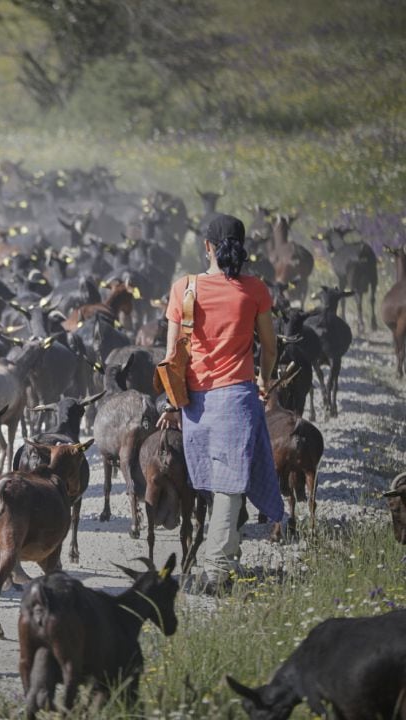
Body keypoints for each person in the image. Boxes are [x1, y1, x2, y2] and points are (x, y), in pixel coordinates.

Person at [157, 213, 285, 592]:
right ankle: (219, 565)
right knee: (229, 484)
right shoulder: (255, 289)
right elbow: (270, 346)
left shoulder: (185, 288)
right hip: (237, 397)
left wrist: (171, 403)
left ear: (207, 246)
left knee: (218, 483)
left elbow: (170, 354)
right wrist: (264, 379)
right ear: (242, 246)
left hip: (195, 402)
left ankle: (218, 565)